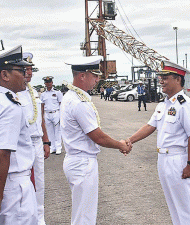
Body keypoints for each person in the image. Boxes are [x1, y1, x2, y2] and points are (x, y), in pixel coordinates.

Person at [127, 60, 190, 225]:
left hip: (178, 160)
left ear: (178, 79)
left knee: (185, 205)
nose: (161, 80)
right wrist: (129, 140)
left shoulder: (185, 105)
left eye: (165, 77)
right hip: (163, 159)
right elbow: (150, 126)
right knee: (173, 204)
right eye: (160, 77)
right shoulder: (163, 104)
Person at [62, 56, 131, 225]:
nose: (97, 79)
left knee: (82, 213)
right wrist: (120, 145)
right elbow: (98, 136)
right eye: (95, 75)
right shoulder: (79, 103)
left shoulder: (71, 96)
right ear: (82, 76)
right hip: (82, 163)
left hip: (76, 160)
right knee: (84, 217)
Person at [0, 45, 38, 224]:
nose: (26, 75)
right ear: (4, 75)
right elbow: (0, 155)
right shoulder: (8, 107)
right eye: (20, 70)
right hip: (11, 186)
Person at [17, 52, 50, 225]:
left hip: (37, 142)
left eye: (31, 69)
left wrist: (46, 141)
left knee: (40, 180)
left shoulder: (34, 92)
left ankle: (40, 217)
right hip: (22, 143)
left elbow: (40, 118)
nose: (29, 73)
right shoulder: (15, 93)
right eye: (25, 69)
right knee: (22, 182)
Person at [40, 76, 63, 155]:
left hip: (56, 112)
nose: (48, 84)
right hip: (47, 114)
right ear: (45, 84)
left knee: (57, 131)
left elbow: (61, 104)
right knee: (49, 132)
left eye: (49, 82)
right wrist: (41, 116)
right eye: (46, 82)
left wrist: (61, 115)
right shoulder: (43, 94)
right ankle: (52, 147)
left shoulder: (57, 92)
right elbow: (42, 106)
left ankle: (58, 147)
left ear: (52, 83)